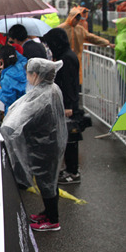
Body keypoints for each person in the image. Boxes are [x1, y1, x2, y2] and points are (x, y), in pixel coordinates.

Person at [1, 58, 67, 232]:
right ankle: (48, 212)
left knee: (47, 183)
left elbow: (23, 117)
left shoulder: (43, 95)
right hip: (48, 143)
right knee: (48, 182)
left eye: (29, 73)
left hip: (44, 146)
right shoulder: (51, 89)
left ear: (37, 75)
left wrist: (7, 129)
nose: (27, 76)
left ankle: (53, 221)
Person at [42, 28, 82, 185]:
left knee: (71, 139)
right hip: (65, 103)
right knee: (67, 139)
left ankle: (73, 172)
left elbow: (69, 85)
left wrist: (69, 106)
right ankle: (70, 169)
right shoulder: (65, 55)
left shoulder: (67, 58)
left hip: (68, 105)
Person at [58, 9, 113, 83]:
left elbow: (91, 37)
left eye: (78, 20)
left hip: (76, 58)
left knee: (76, 78)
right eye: (75, 19)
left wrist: (106, 42)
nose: (76, 21)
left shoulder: (80, 29)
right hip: (63, 59)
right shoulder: (61, 28)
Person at [0, 45, 27, 115]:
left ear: (2, 60)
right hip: (28, 108)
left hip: (15, 114)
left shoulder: (7, 77)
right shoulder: (24, 65)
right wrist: (10, 51)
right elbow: (22, 58)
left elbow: (9, 99)